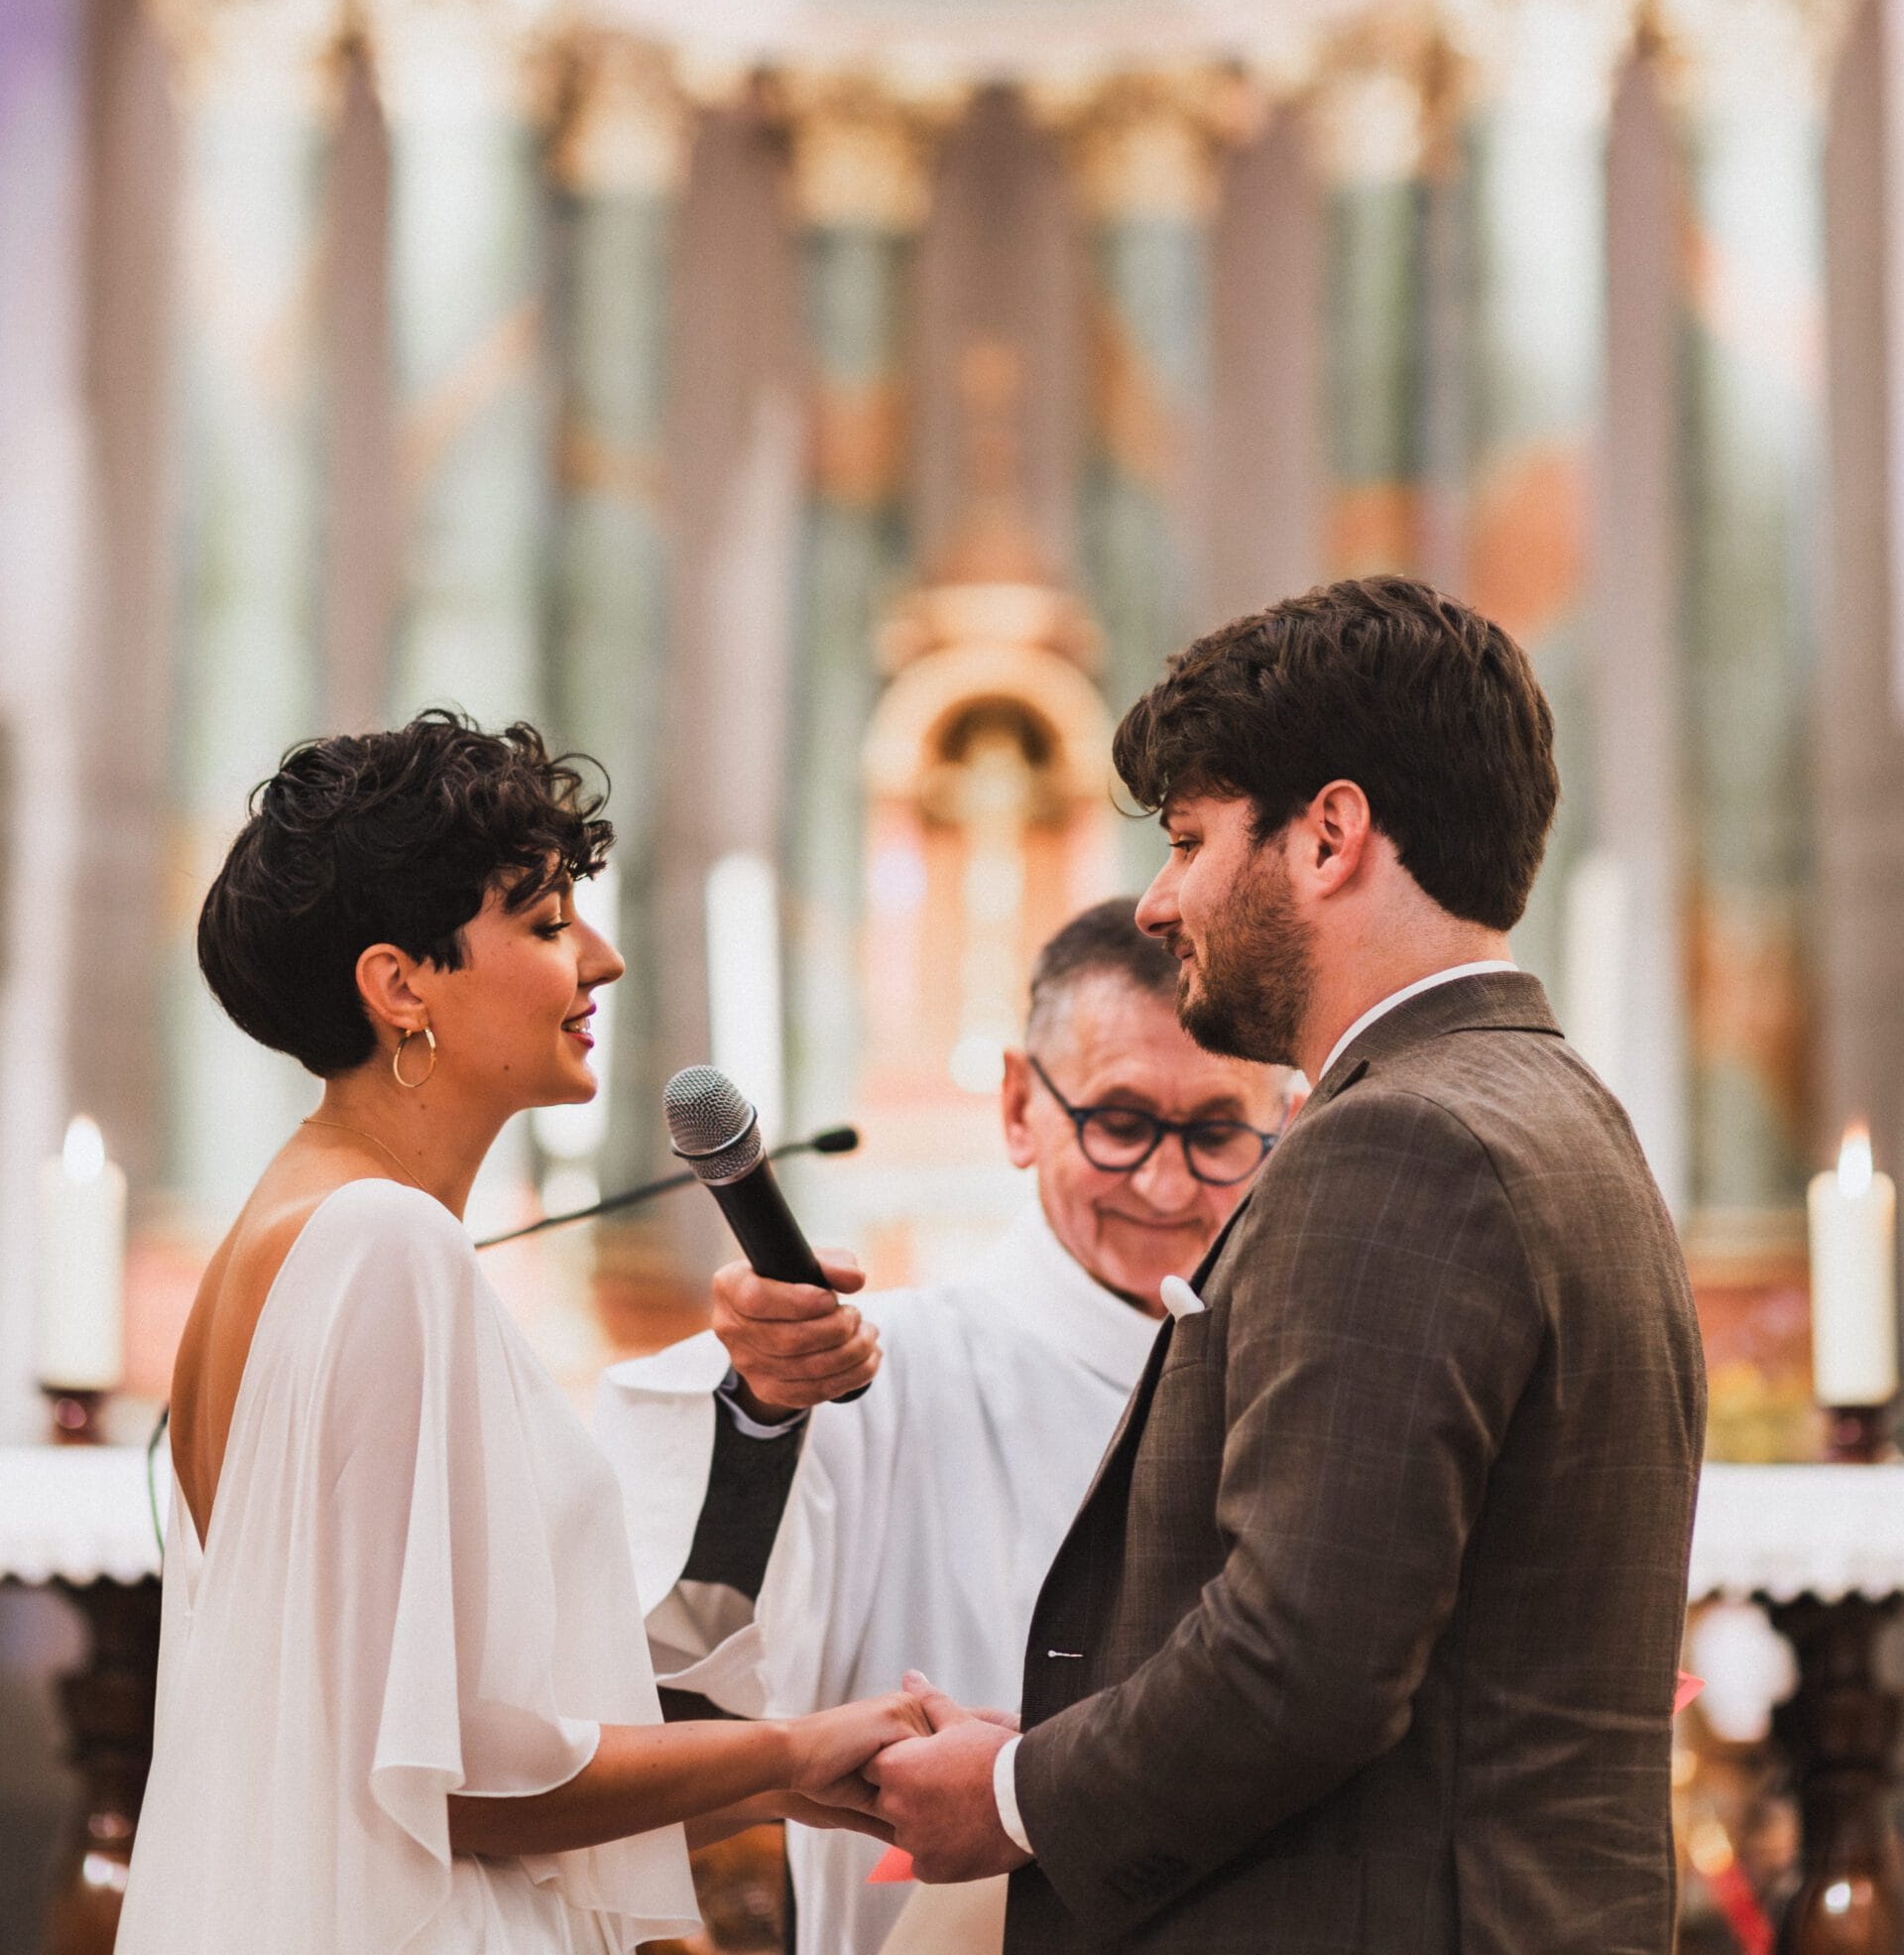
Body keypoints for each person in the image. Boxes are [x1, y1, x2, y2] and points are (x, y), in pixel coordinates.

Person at [871, 579, 1708, 1955]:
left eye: (1190, 839)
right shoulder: (1562, 1110)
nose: (1156, 900)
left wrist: (1015, 1798)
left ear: (1330, 836)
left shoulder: (1399, 1142)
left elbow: (1303, 1661)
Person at [119, 713, 923, 1955]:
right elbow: (463, 1782)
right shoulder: (384, 1243)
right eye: (545, 924)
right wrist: (788, 1742)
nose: (597, 960)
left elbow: (395, 1744)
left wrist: (774, 1784)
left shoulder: (280, 1237)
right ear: (399, 986)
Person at [593, 899, 1292, 1955]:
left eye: (1217, 1132)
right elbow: (671, 1662)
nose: (1164, 1181)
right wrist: (762, 1407)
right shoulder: (884, 1374)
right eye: (1119, 1122)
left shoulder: (1304, 1385)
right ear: (1020, 1104)